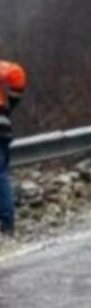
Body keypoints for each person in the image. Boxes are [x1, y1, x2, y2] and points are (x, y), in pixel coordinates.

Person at [0, 58, 27, 237]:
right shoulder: (4, 67)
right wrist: (11, 106)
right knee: (1, 174)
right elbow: (18, 76)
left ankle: (7, 222)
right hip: (3, 127)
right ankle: (7, 222)